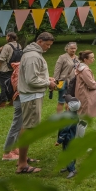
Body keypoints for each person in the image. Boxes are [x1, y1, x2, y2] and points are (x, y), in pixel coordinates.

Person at [15, 32, 58, 173]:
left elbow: (33, 75)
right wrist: (48, 83)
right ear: (39, 41)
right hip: (32, 96)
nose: (48, 48)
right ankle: (22, 165)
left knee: (26, 126)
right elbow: (32, 80)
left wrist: (47, 78)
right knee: (28, 128)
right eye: (47, 45)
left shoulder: (32, 54)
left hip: (31, 95)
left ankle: (23, 158)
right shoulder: (33, 56)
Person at [1, 60, 23, 161]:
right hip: (20, 98)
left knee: (20, 125)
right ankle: (6, 153)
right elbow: (21, 86)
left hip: (21, 99)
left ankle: (14, 148)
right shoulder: (21, 69)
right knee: (16, 126)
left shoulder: (19, 68)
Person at [56, 95, 82, 179]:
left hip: (68, 139)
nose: (65, 104)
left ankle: (72, 170)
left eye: (66, 103)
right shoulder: (72, 114)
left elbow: (64, 129)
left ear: (69, 107)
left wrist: (59, 140)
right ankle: (68, 167)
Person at [0, 33, 21, 110]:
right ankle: (12, 101)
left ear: (9, 37)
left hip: (5, 69)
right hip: (15, 68)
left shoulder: (7, 46)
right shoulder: (19, 45)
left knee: (4, 86)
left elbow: (2, 59)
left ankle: (2, 103)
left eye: (6, 36)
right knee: (13, 85)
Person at [74, 50, 96, 119]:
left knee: (81, 114)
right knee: (84, 116)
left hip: (80, 93)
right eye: (91, 58)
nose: (93, 59)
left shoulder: (79, 67)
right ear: (85, 59)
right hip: (84, 94)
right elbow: (91, 85)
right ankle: (78, 129)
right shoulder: (85, 70)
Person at [52, 41, 78, 113]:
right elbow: (57, 70)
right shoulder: (62, 57)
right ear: (67, 49)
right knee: (61, 101)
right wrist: (55, 82)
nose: (73, 50)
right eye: (71, 48)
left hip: (74, 82)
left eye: (74, 48)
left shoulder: (77, 58)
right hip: (64, 82)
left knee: (70, 101)